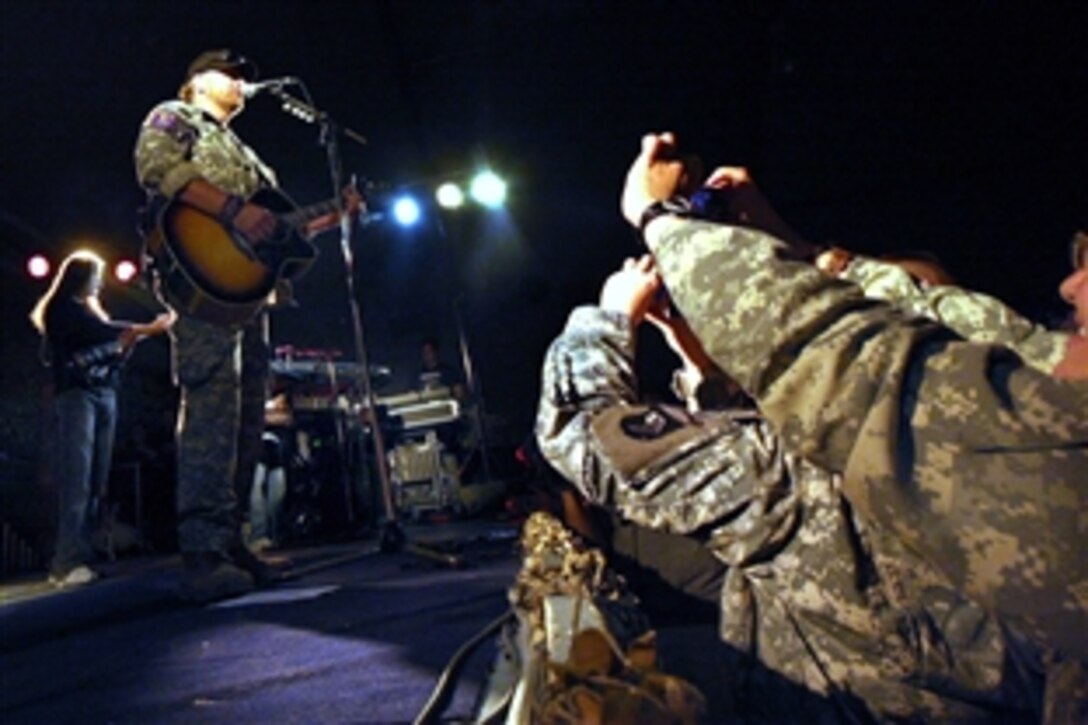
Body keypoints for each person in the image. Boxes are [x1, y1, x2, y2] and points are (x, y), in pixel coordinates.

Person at [537, 255, 1084, 720]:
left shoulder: (814, 491)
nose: (1071, 285)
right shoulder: (1032, 483)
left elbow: (581, 432)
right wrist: (697, 360)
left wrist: (609, 315)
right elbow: (764, 454)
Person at [619, 132, 1088, 660]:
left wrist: (658, 227)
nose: (1070, 286)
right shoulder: (1045, 388)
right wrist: (803, 254)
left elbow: (847, 369)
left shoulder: (1046, 437)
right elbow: (987, 337)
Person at [133, 49, 359, 602]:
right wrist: (232, 212)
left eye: (242, 77)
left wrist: (337, 212)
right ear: (197, 81)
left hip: (248, 294)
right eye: (229, 74)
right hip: (200, 281)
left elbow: (275, 229)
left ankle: (232, 542)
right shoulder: (175, 117)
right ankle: (202, 552)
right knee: (212, 404)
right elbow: (157, 168)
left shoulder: (249, 157)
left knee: (245, 416)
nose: (239, 84)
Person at [29, 250, 173, 587]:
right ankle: (65, 561)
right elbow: (104, 333)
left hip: (104, 392)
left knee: (96, 479)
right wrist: (146, 329)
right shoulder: (64, 310)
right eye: (94, 275)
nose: (99, 282)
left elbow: (114, 343)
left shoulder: (89, 312)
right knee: (77, 479)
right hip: (78, 395)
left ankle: (82, 555)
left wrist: (133, 338)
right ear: (79, 277)